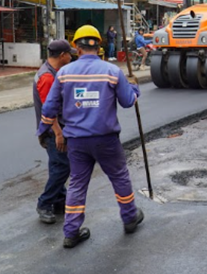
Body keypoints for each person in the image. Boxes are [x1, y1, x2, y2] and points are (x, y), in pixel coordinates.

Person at [36, 25, 144, 249]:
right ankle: (130, 217)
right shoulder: (112, 71)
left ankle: (71, 232)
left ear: (76, 47)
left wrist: (43, 130)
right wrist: (134, 88)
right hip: (106, 140)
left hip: (76, 141)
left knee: (76, 185)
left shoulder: (64, 73)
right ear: (99, 46)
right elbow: (127, 102)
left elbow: (49, 108)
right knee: (119, 178)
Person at [34, 39, 76, 224]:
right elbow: (48, 110)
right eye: (69, 54)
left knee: (56, 166)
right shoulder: (47, 77)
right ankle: (45, 203)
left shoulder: (52, 72)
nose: (71, 56)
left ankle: (60, 201)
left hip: (54, 128)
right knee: (62, 167)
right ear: (62, 56)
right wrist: (58, 133)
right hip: (53, 130)